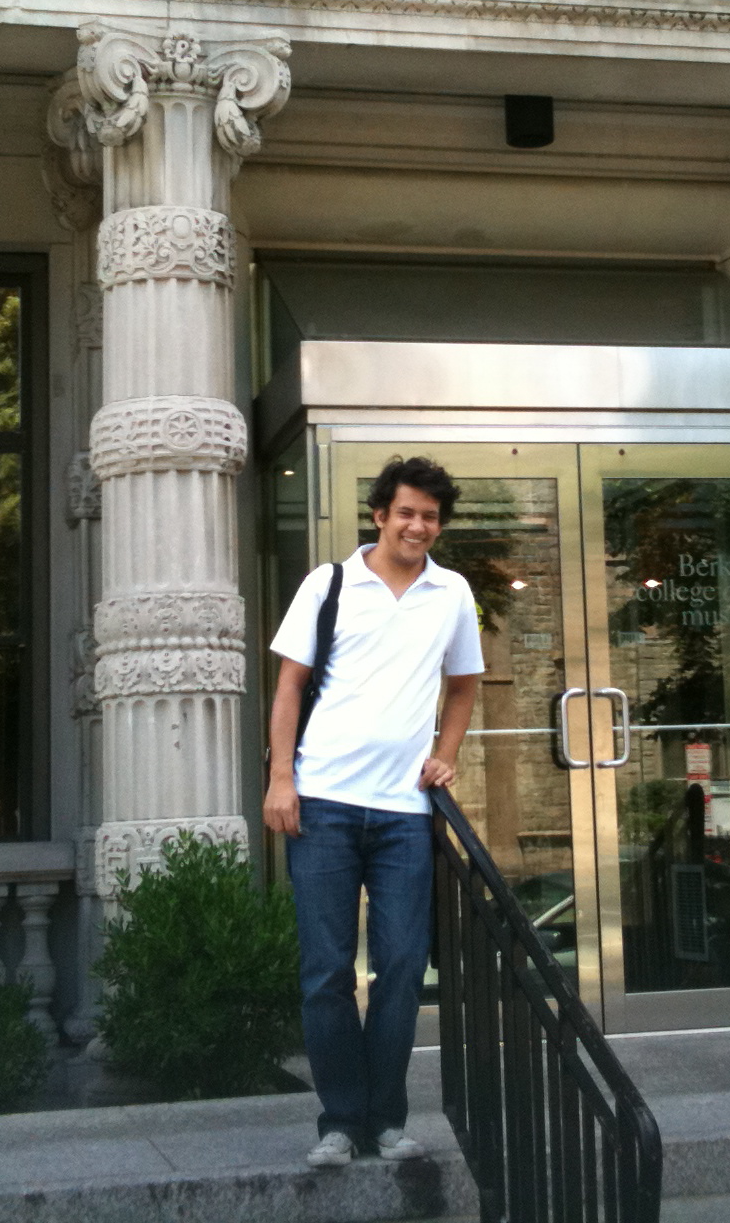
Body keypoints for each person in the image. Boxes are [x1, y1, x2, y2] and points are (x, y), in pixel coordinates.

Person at [264, 455, 482, 1169]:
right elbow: (290, 688)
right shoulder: (329, 584)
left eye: (430, 517)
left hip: (402, 813)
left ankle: (386, 1121)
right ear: (380, 515)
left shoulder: (451, 592)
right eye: (407, 513)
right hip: (322, 802)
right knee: (326, 972)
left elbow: (463, 684)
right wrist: (281, 779)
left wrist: (446, 753)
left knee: (399, 969)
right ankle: (339, 1122)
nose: (418, 526)